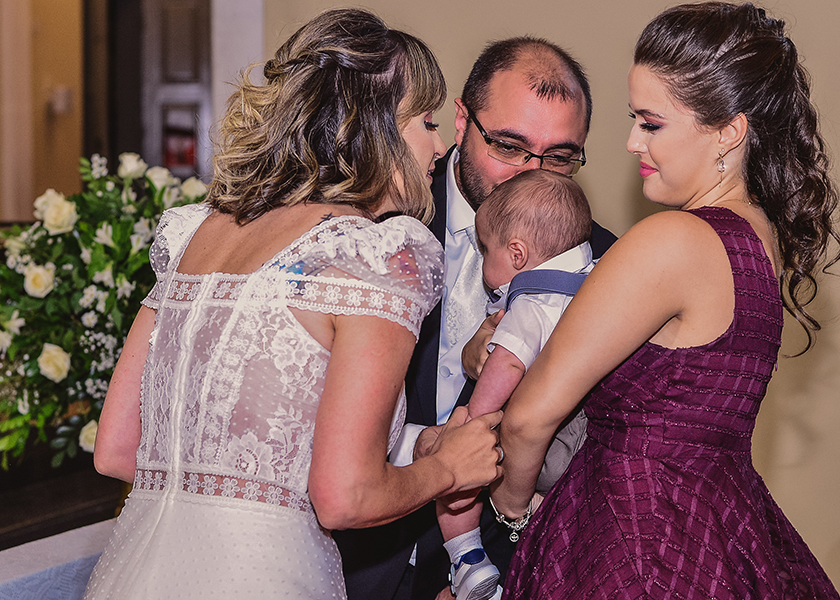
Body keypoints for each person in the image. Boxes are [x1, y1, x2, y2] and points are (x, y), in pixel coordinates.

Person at [83, 9, 504, 599]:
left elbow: (119, 449)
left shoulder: (194, 236)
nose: (440, 145)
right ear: (375, 127)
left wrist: (414, 444)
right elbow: (345, 496)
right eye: (427, 121)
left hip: (135, 572)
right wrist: (448, 468)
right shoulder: (375, 254)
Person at [492, 3, 840, 598]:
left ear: (729, 132)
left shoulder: (673, 239)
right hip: (719, 533)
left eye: (651, 124)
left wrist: (512, 517)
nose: (630, 142)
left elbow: (529, 418)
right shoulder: (759, 240)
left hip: (632, 545)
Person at [334, 36, 617, 600]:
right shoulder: (369, 220)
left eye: (560, 157)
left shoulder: (606, 269)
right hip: (350, 554)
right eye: (509, 145)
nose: (529, 174)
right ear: (461, 121)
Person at [438, 169, 595, 600]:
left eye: (487, 249)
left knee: (451, 470)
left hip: (534, 448)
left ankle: (467, 559)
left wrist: (475, 419)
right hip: (582, 446)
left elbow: (506, 363)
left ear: (518, 254)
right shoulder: (598, 281)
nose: (484, 260)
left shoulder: (533, 303)